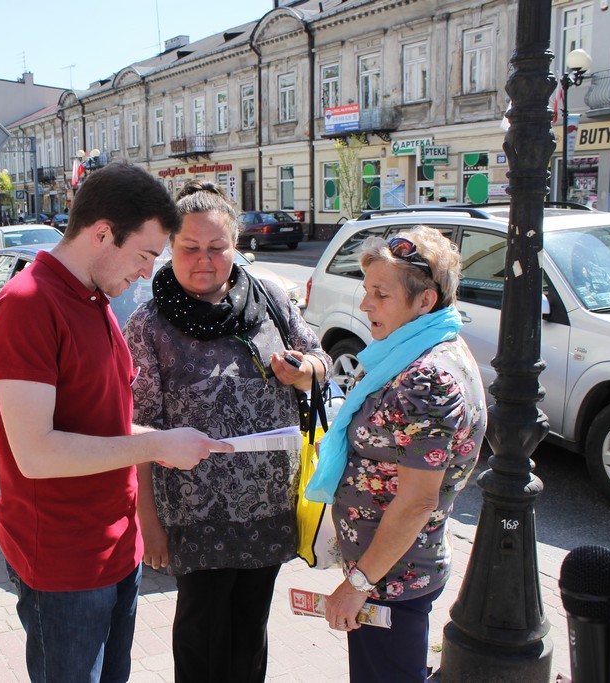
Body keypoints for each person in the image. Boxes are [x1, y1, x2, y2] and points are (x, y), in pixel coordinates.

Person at [0, 161, 233, 682]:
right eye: (145, 255)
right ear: (102, 233)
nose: (148, 272)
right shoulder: (30, 304)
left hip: (115, 548)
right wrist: (155, 445)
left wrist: (164, 443)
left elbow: (104, 425)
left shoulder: (94, 297)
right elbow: (36, 453)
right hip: (65, 561)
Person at [123, 181, 332, 683]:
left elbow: (323, 360)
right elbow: (138, 431)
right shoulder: (148, 324)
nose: (204, 260)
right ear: (171, 248)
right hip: (194, 511)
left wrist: (304, 372)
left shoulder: (271, 299)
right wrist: (148, 523)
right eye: (190, 248)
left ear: (237, 246)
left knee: (250, 627)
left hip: (268, 503)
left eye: (217, 247)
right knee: (201, 633)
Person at [310, 227, 487, 682]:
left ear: (425, 301)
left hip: (391, 578)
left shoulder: (427, 378)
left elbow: (417, 502)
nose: (366, 304)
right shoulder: (424, 349)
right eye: (367, 291)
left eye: (381, 295)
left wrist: (357, 586)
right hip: (393, 571)